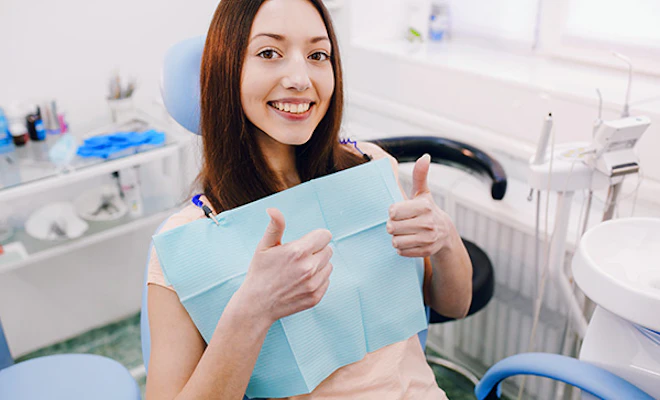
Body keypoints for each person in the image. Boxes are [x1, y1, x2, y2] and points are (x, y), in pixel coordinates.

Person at [146, 0, 472, 398]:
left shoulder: (369, 166)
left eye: (318, 55)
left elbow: (454, 304)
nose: (301, 78)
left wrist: (444, 239)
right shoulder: (187, 243)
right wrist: (252, 310)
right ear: (226, 72)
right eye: (269, 53)